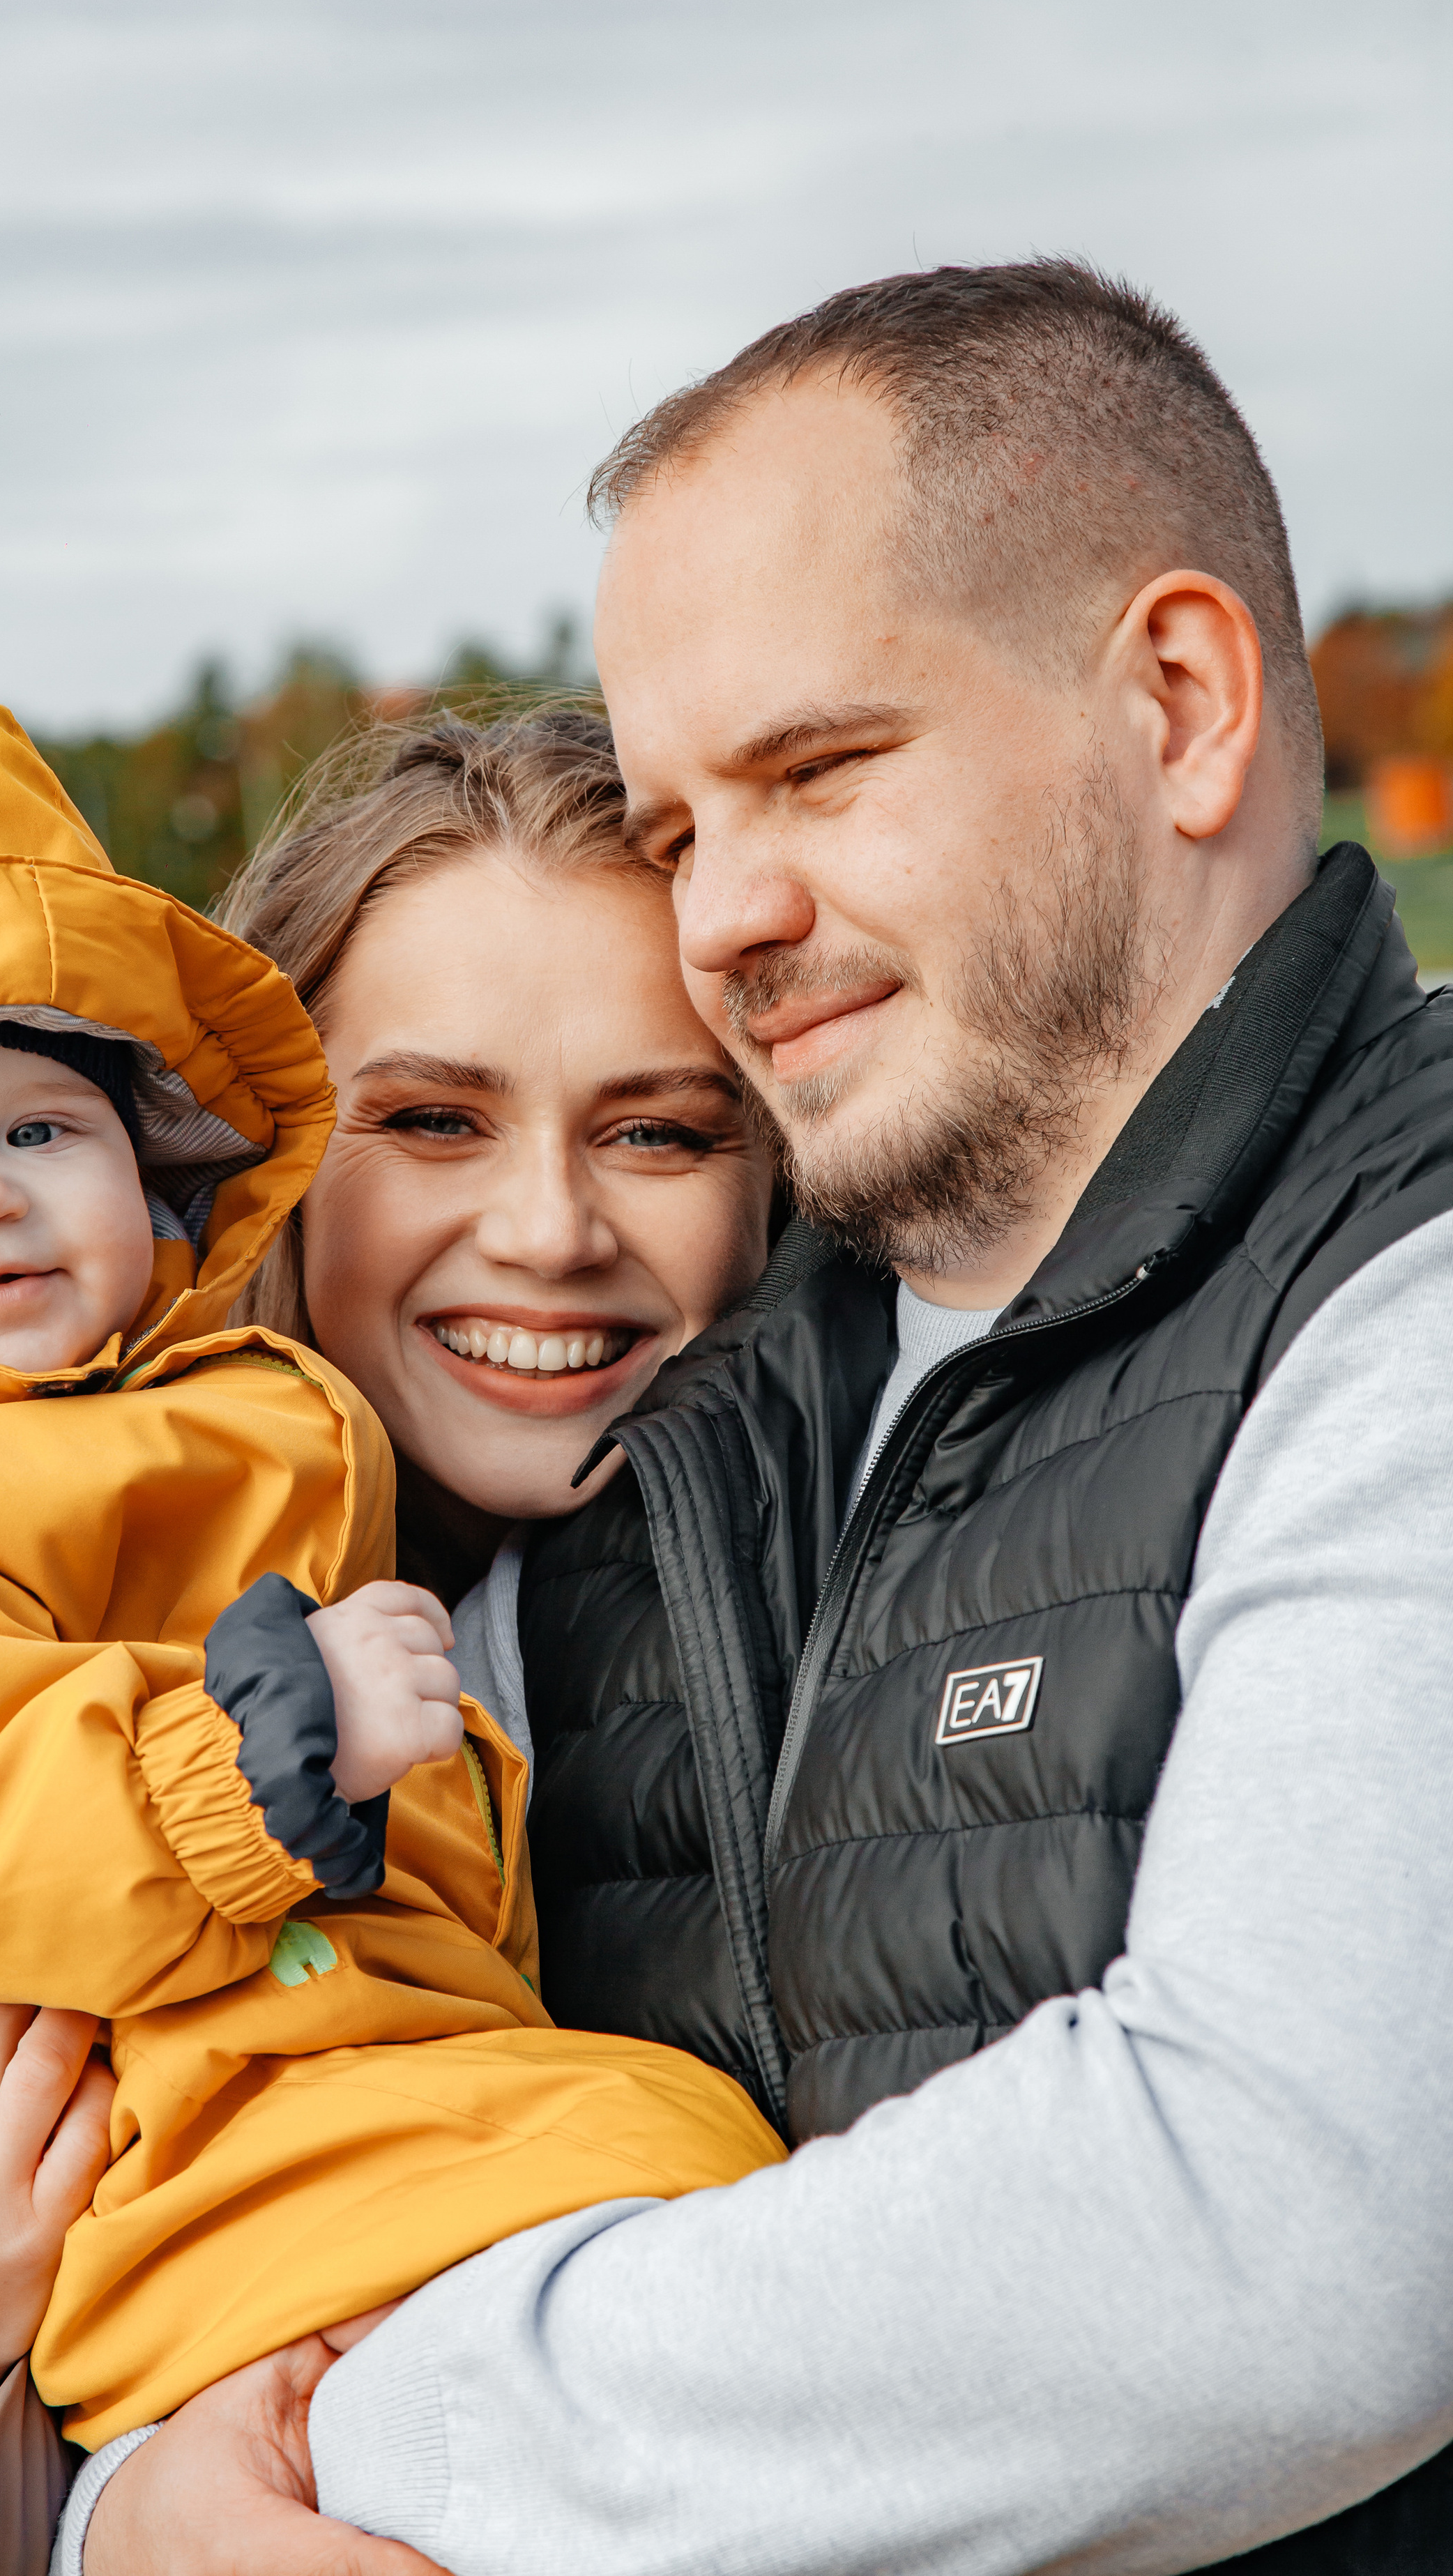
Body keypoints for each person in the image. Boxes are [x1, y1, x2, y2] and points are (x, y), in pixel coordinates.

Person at [96, 264, 1453, 2569]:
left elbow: (1284, 2230)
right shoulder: (652, 1477)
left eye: (819, 769)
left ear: (1184, 702)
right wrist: (61, 2477)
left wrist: (353, 2442)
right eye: (683, 822)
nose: (730, 912)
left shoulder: (1396, 1311)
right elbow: (268, 2164)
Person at [0, 691, 779, 2570]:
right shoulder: (42, 1545)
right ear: (249, 1156)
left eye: (658, 1130)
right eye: (434, 1119)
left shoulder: (821, 1598)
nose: (546, 1228)